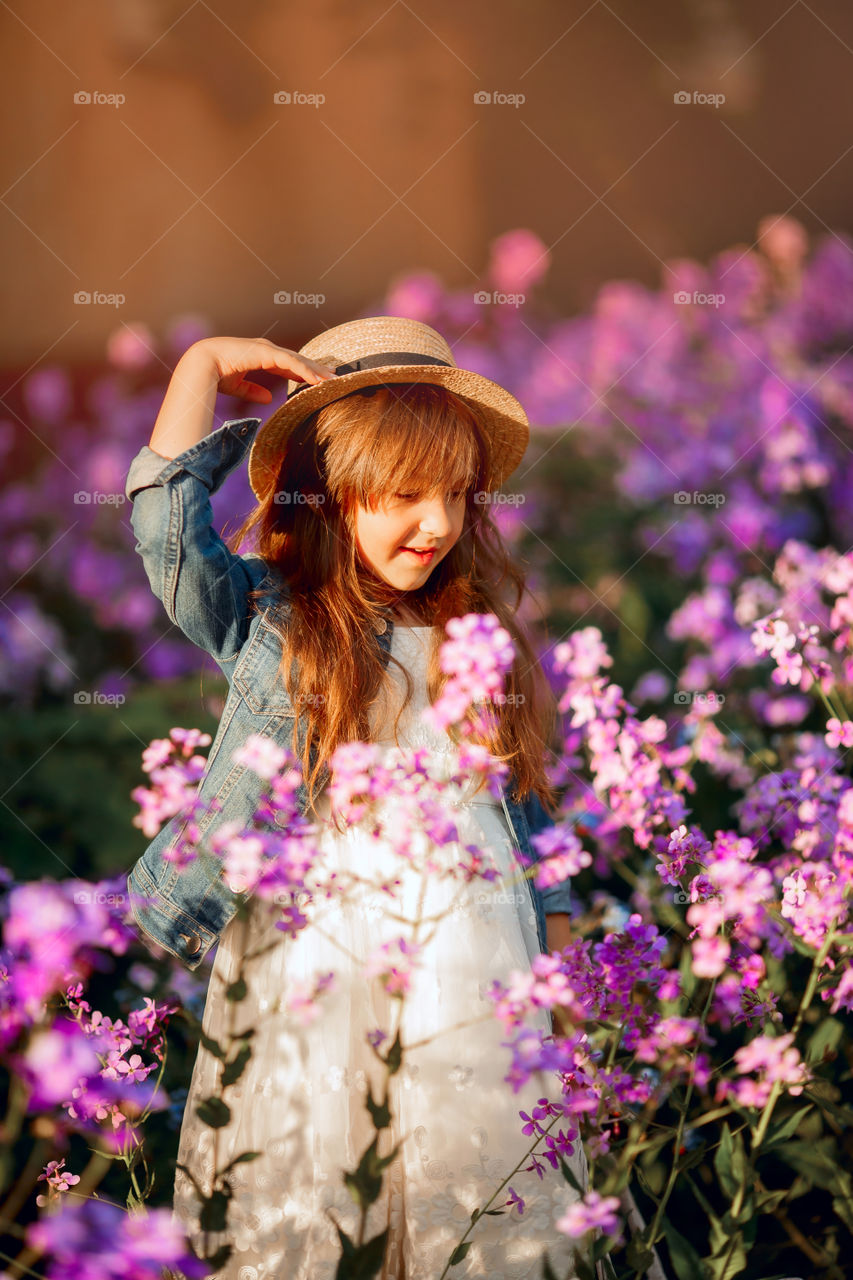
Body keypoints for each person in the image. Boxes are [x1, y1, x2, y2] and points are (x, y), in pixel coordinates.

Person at [124, 316, 591, 1280]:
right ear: (329, 498)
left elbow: (524, 813)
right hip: (314, 952)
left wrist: (566, 965)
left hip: (466, 948)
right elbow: (165, 533)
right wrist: (201, 366)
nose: (439, 525)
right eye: (407, 495)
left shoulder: (472, 631)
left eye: (458, 496)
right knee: (319, 1175)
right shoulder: (273, 615)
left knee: (467, 1178)